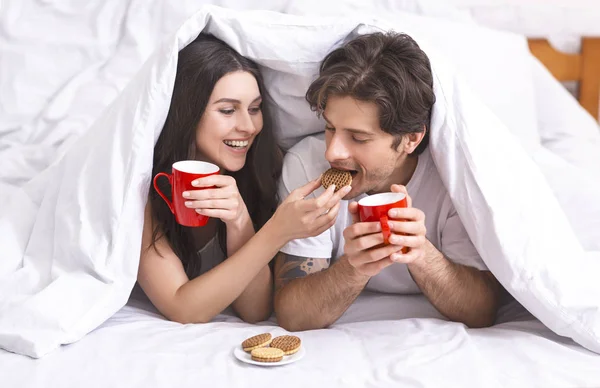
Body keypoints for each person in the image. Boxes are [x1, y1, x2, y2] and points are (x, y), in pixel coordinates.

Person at [273, 32, 504, 331]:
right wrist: (355, 266)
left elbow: (482, 313)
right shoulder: (307, 167)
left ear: (410, 139)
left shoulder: (454, 180)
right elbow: (292, 316)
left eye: (358, 138)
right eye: (330, 128)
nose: (332, 152)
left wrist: (421, 253)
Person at [138, 34, 346, 325]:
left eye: (254, 109)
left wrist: (239, 222)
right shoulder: (147, 189)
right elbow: (182, 307)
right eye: (227, 110)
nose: (248, 127)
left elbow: (255, 310)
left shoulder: (258, 174)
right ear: (187, 113)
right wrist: (276, 232)